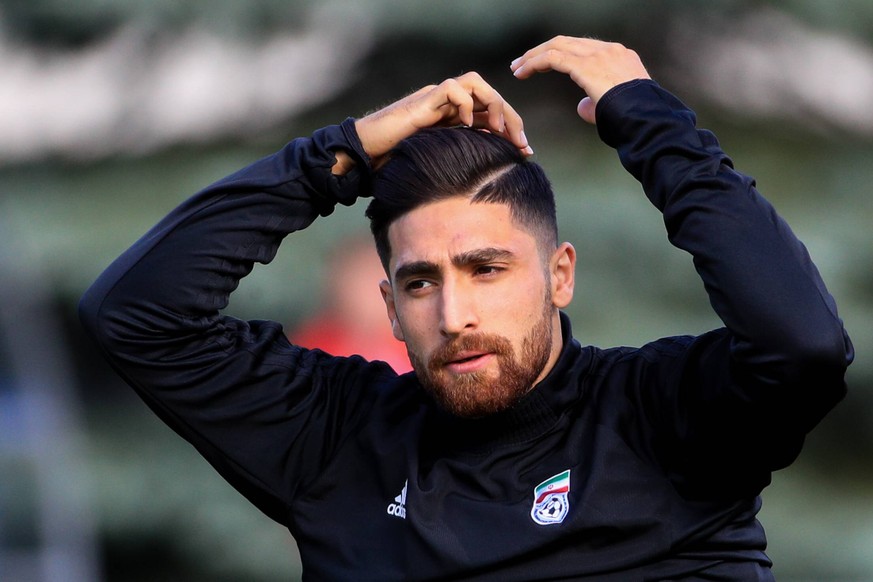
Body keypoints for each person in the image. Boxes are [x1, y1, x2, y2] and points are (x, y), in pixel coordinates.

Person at [79, 36, 852, 580]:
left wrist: (653, 125)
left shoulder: (665, 416)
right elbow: (137, 314)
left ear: (559, 275)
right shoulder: (339, 441)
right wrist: (337, 156)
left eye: (487, 269)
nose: (454, 314)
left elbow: (800, 343)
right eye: (420, 282)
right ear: (387, 304)